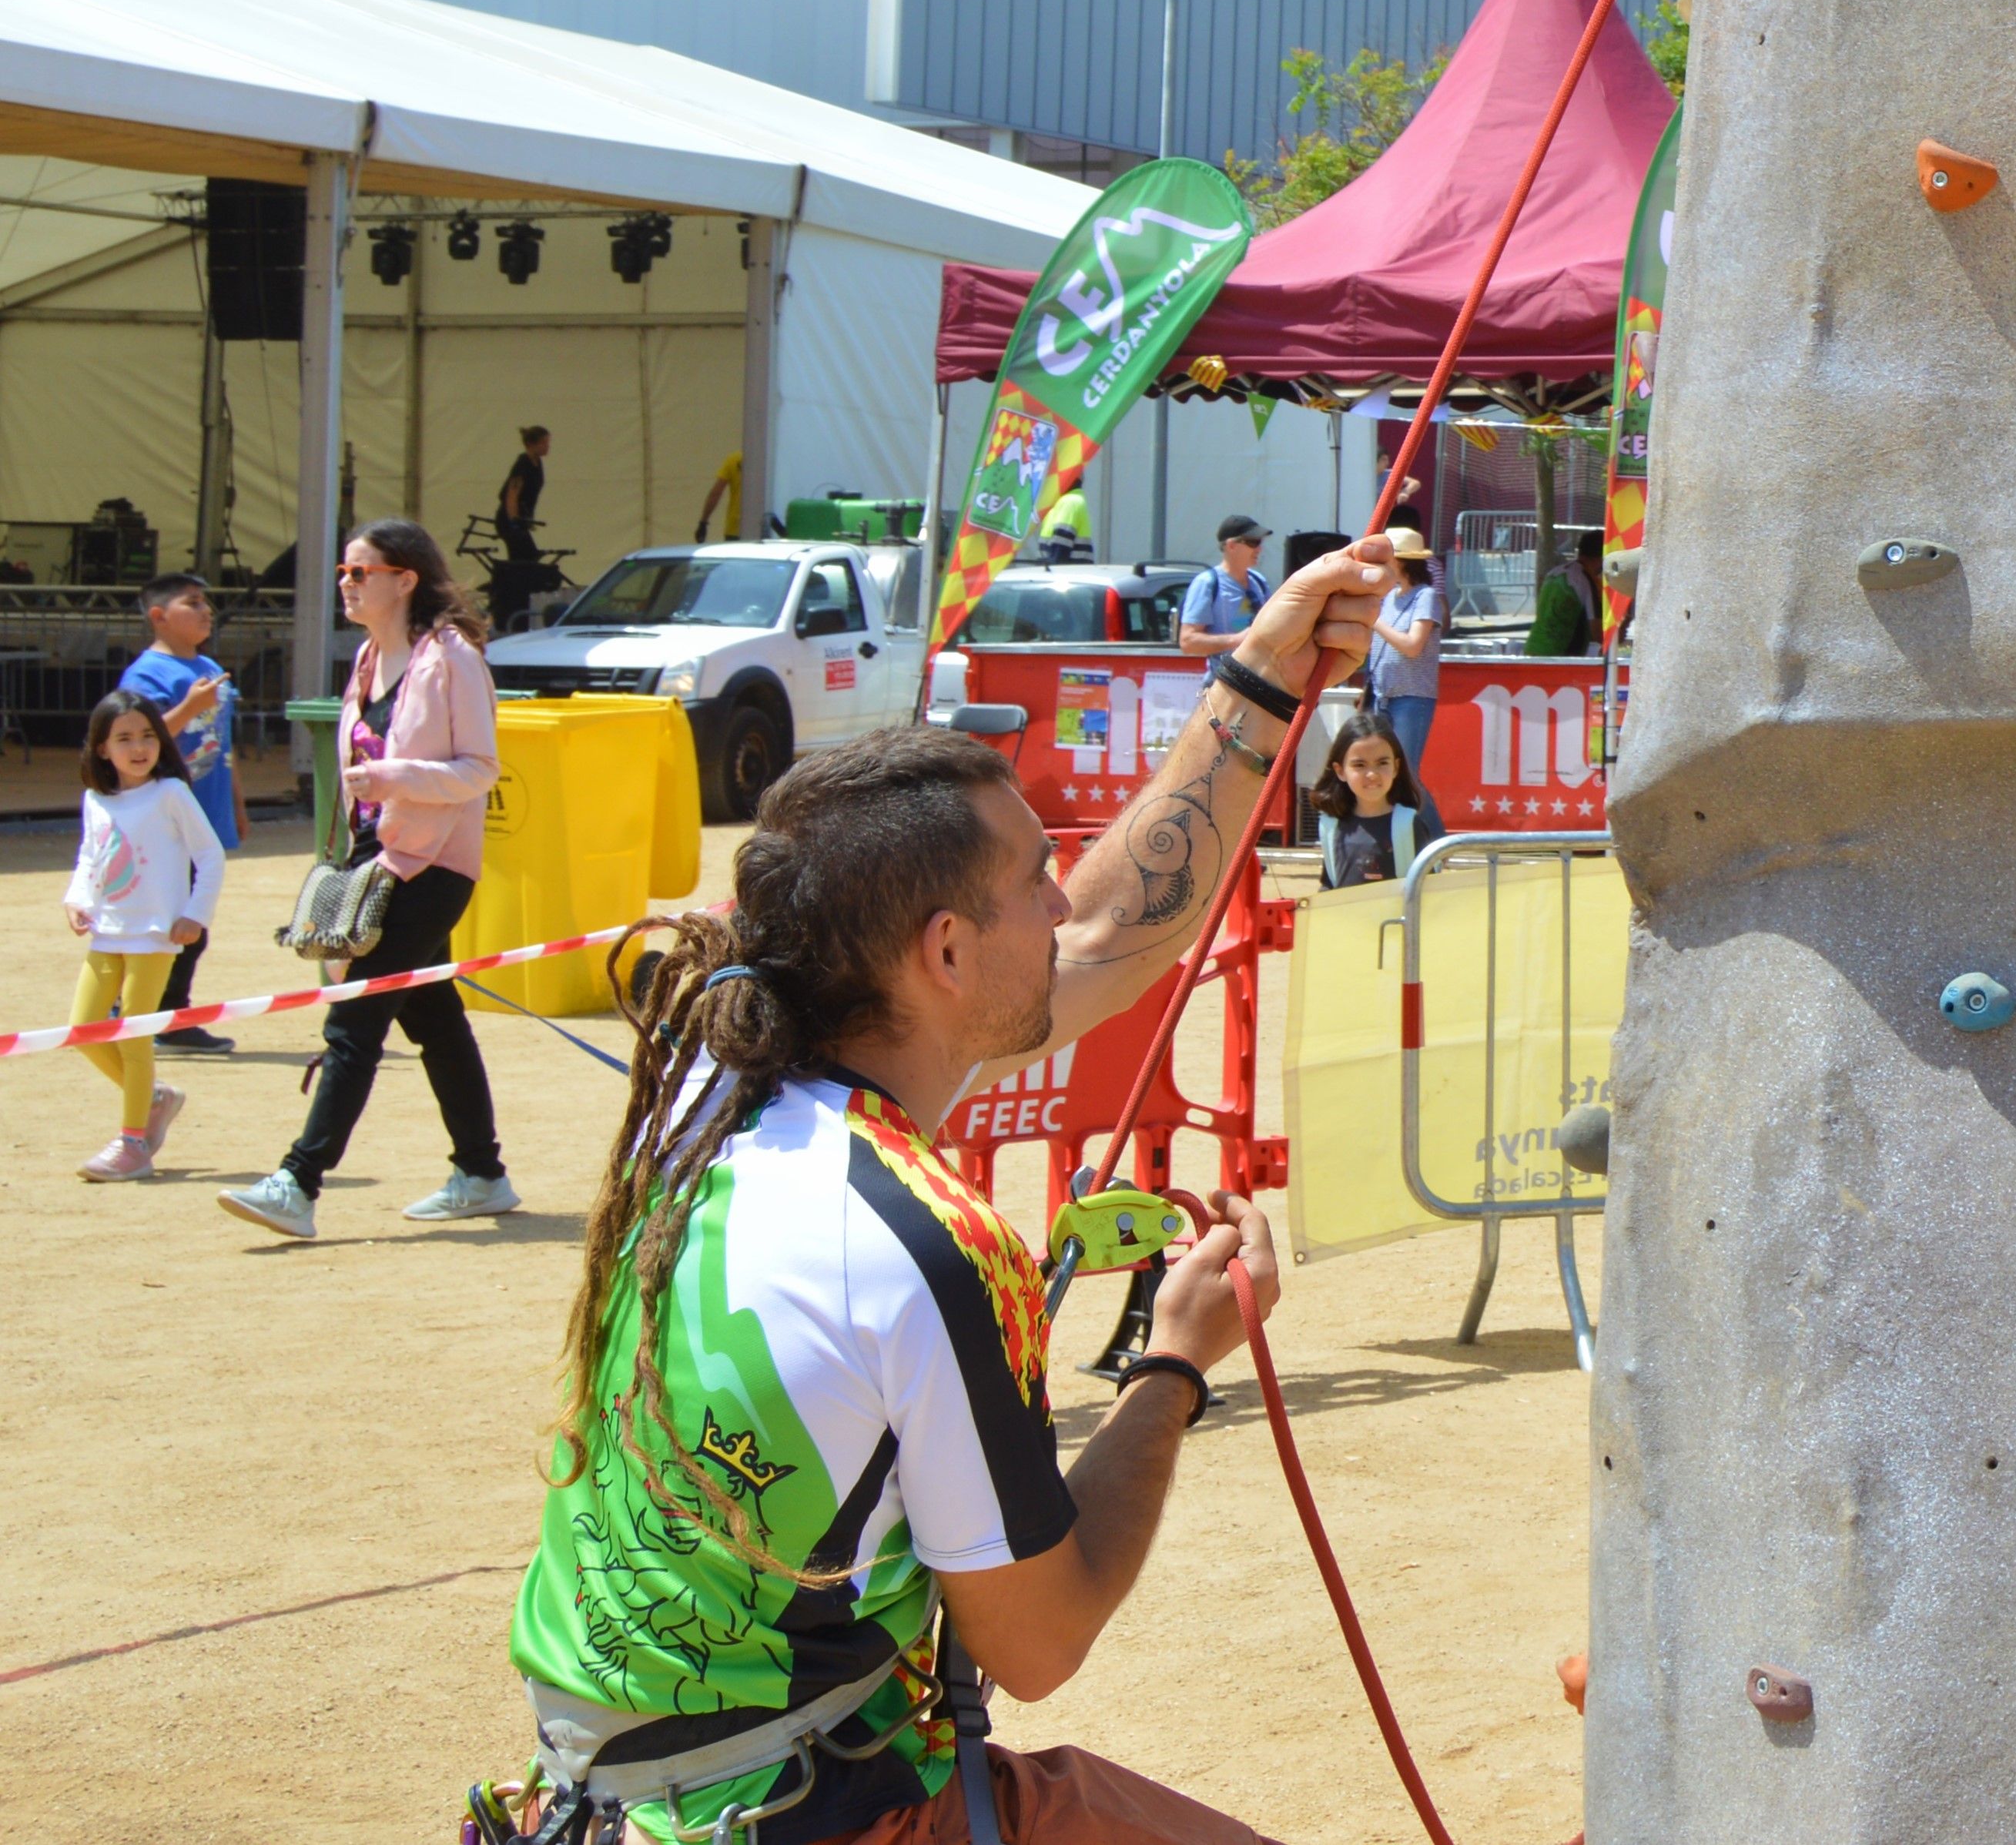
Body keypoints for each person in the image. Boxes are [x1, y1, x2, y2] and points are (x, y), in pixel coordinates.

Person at [494, 544, 1388, 1843]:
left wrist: (1256, 679)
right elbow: (1038, 1636)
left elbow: (1104, 935)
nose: (1059, 888)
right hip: (803, 1814)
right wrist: (1175, 1364)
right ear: (948, 953)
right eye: (1035, 865)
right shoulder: (922, 1240)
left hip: (607, 1795)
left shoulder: (711, 1070)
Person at [217, 519, 511, 1241]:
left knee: (353, 1019)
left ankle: (299, 1180)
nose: (346, 584)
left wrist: (395, 776)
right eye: (344, 573)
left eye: (359, 572)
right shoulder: (366, 659)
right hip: (377, 860)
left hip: (432, 865)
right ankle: (482, 1172)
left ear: (404, 578)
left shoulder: (451, 656)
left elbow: (480, 768)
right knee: (434, 1020)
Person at [62, 691, 225, 1182]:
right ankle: (155, 1099)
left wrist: (195, 914)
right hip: (107, 933)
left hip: (156, 935)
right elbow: (91, 857)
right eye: (124, 738)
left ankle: (134, 1143)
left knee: (135, 1038)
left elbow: (211, 856)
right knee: (84, 1031)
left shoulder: (171, 793)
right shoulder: (96, 799)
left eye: (148, 736)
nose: (138, 748)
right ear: (101, 749)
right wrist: (77, 899)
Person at [116, 570, 243, 1055]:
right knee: (175, 918)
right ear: (159, 616)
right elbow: (134, 740)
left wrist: (235, 801)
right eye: (193, 603)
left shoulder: (208, 665)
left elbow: (221, 744)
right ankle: (152, 1013)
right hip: (163, 819)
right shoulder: (146, 675)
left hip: (205, 811)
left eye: (206, 603)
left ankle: (157, 1011)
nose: (206, 610)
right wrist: (190, 706)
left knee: (193, 918)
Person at [1314, 712, 1440, 889]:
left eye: (1382, 763)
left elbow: (1429, 891)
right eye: (1359, 765)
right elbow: (1328, 887)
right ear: (1340, 771)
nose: (1372, 775)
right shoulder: (1330, 826)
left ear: (1396, 767)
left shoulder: (1409, 825)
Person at [1362, 527, 1445, 774]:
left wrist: (1374, 621)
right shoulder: (1388, 598)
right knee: (1389, 775)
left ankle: (1425, 815)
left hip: (1412, 697)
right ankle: (1406, 814)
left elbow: (1412, 646)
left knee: (1406, 774)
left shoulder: (1426, 596)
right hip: (1380, 695)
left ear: (1399, 561)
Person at [1173, 517, 1268, 656]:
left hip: (1259, 676)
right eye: (1253, 542)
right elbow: (1188, 642)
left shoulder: (1259, 581)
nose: (1259, 549)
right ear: (1231, 546)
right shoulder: (1207, 583)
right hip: (1221, 676)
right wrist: (1236, 640)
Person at [1525, 529, 1606, 660]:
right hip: (1557, 657)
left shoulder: (1555, 573)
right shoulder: (1584, 579)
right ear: (1603, 557)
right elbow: (1598, 633)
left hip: (1534, 648)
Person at [497, 424, 551, 564]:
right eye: (543, 443)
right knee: (524, 558)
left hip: (521, 520)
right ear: (531, 444)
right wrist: (514, 521)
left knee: (528, 556)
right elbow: (512, 495)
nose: (547, 446)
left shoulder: (537, 462)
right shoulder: (523, 465)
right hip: (509, 519)